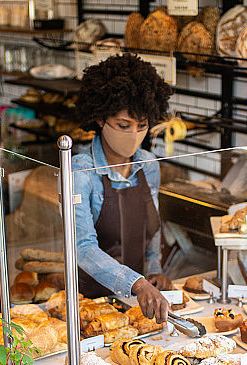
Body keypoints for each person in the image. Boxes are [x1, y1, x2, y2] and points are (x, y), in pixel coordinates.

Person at [73, 53, 174, 323]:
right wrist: (137, 284)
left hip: (140, 307)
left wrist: (154, 272)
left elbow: (151, 228)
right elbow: (82, 247)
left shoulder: (149, 165)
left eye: (142, 126)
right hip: (91, 306)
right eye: (122, 125)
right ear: (100, 118)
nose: (133, 135)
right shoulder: (81, 171)